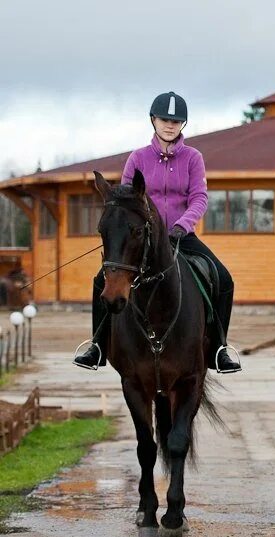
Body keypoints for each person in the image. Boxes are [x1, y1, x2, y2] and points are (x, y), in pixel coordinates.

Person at [74, 91, 241, 373]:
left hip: (180, 236)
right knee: (99, 280)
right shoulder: (137, 158)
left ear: (182, 126)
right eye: (165, 119)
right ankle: (98, 345)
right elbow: (125, 197)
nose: (170, 125)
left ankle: (219, 349)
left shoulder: (193, 158)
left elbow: (199, 198)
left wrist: (181, 225)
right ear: (153, 120)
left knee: (223, 278)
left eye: (176, 121)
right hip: (141, 239)